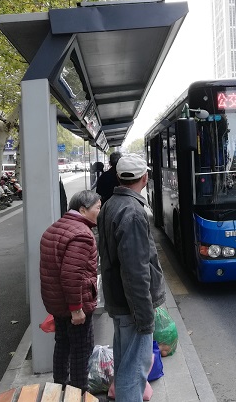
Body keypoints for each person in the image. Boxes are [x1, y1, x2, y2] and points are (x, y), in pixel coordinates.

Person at [97, 153, 166, 402]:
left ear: (118, 177)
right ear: (145, 178)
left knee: (126, 362)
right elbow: (136, 271)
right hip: (132, 307)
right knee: (134, 370)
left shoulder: (109, 205)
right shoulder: (133, 212)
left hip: (119, 300)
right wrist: (145, 315)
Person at [39, 190, 102, 392]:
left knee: (63, 344)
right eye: (98, 208)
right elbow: (71, 274)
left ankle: (60, 389)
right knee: (81, 350)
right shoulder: (82, 235)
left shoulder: (55, 228)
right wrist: (76, 309)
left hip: (57, 302)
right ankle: (78, 392)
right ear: (83, 210)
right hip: (74, 303)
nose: (100, 212)